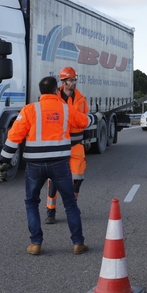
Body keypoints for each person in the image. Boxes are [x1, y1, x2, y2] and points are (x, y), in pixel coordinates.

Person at [0, 75, 93, 256]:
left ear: (40, 92)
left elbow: (14, 137)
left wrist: (3, 161)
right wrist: (94, 118)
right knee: (70, 203)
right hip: (60, 164)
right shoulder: (65, 109)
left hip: (34, 166)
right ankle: (78, 243)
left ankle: (35, 244)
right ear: (56, 90)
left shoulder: (29, 110)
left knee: (32, 202)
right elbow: (84, 121)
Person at [45, 66, 89, 224]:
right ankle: (50, 210)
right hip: (57, 144)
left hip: (76, 143)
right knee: (54, 179)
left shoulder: (81, 99)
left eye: (75, 79)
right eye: (71, 80)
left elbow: (84, 119)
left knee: (78, 177)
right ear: (63, 82)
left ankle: (72, 206)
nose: (74, 82)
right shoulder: (53, 98)